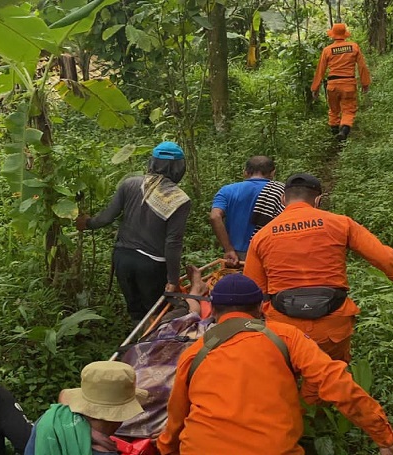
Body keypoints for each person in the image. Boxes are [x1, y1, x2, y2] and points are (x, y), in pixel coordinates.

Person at [156, 274, 393, 455]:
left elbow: (176, 417)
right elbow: (335, 381)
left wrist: (166, 449)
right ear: (260, 307)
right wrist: (384, 436)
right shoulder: (286, 336)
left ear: (212, 311)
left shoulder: (193, 354)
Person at [244, 173, 393, 367]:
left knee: (288, 376)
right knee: (332, 375)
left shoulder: (262, 235)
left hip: (284, 324)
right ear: (318, 200)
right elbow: (382, 256)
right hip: (332, 322)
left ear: (283, 199)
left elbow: (253, 288)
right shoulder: (341, 223)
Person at [77, 142, 192, 322]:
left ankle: (136, 343)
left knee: (136, 312)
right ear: (179, 168)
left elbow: (107, 217)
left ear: (152, 163)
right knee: (157, 314)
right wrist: (173, 279)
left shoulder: (130, 184)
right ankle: (150, 346)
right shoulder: (180, 199)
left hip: (122, 259)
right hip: (152, 265)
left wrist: (87, 223)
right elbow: (173, 242)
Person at [25, 361, 149, 455]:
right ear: (119, 416)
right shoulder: (103, 451)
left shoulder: (50, 421)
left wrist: (87, 431)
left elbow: (63, 396)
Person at [209, 156, 283, 267]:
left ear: (245, 172)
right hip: (269, 252)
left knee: (236, 284)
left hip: (236, 256)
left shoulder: (227, 190)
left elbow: (214, 216)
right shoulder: (282, 191)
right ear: (272, 173)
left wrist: (228, 249)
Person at [311, 23, 371, 141]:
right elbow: (362, 67)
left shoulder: (327, 50)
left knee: (334, 110)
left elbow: (320, 70)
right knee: (348, 110)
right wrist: (365, 83)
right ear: (345, 34)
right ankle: (343, 131)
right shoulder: (353, 47)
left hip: (332, 85)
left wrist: (315, 88)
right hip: (348, 84)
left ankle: (334, 135)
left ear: (333, 35)